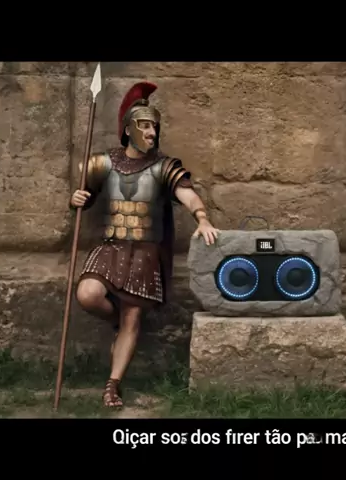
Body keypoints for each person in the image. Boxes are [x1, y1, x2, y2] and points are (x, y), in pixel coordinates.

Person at [69, 81, 220, 408]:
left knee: (133, 317)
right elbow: (85, 192)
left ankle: (112, 385)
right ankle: (115, 321)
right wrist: (77, 197)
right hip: (111, 247)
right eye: (145, 126)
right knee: (87, 294)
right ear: (128, 130)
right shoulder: (104, 162)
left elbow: (187, 194)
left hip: (145, 254)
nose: (152, 133)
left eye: (154, 127)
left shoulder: (164, 166)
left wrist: (202, 218)